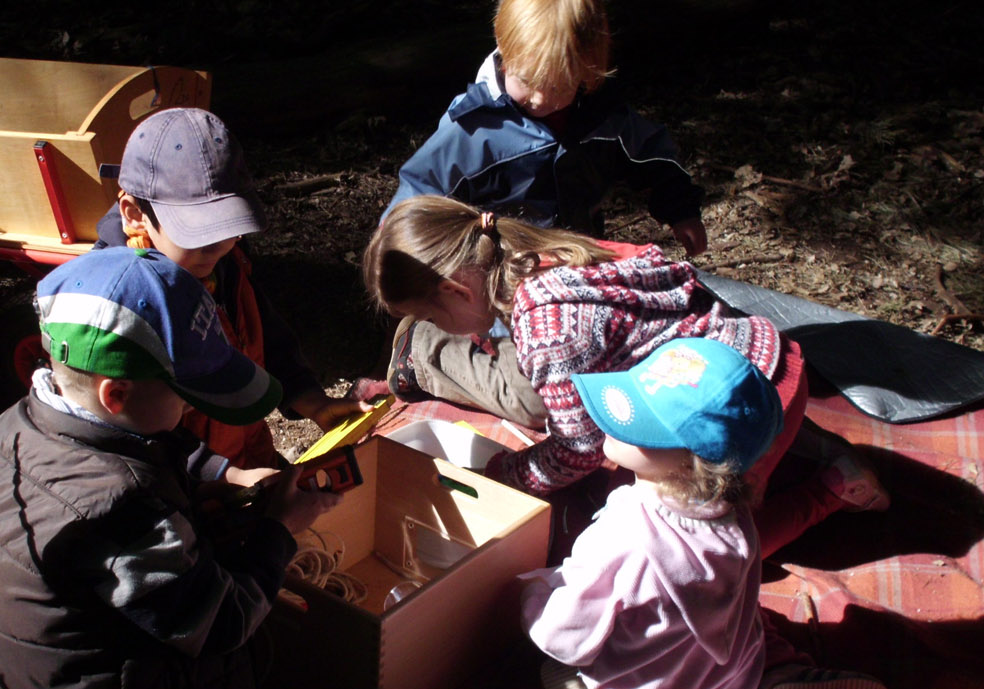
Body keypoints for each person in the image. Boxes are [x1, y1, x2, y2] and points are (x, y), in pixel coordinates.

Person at [0, 246, 341, 689]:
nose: (189, 410)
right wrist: (278, 530)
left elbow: (151, 444)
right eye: (185, 396)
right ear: (115, 394)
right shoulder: (114, 507)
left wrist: (228, 476)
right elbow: (222, 622)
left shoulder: (18, 427)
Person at [361, 195, 888, 557]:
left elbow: (579, 449)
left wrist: (506, 477)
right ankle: (806, 445)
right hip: (762, 356)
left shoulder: (546, 326)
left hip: (742, 399)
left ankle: (831, 492)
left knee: (697, 549)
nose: (438, 328)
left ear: (457, 290)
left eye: (432, 319)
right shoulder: (545, 250)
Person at [521, 338, 887, 689]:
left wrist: (529, 597)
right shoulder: (733, 514)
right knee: (747, 616)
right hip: (730, 681)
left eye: (633, 420)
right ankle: (781, 672)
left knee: (557, 646)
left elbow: (563, 635)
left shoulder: (623, 536)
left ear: (689, 461)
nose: (609, 420)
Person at [370, 0, 707, 426]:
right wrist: (405, 262)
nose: (540, 98)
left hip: (570, 273)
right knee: (541, 399)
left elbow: (651, 157)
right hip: (495, 294)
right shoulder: (473, 129)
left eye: (559, 85)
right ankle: (424, 349)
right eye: (528, 80)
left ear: (588, 71)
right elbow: (417, 192)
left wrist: (680, 209)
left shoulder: (605, 116)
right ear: (503, 49)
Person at [93, 107, 370, 470]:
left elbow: (262, 332)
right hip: (187, 490)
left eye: (228, 227)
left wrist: (309, 398)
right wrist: (220, 476)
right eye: (199, 231)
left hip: (248, 456)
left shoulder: (221, 260)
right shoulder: (113, 307)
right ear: (133, 213)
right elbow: (131, 433)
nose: (220, 245)